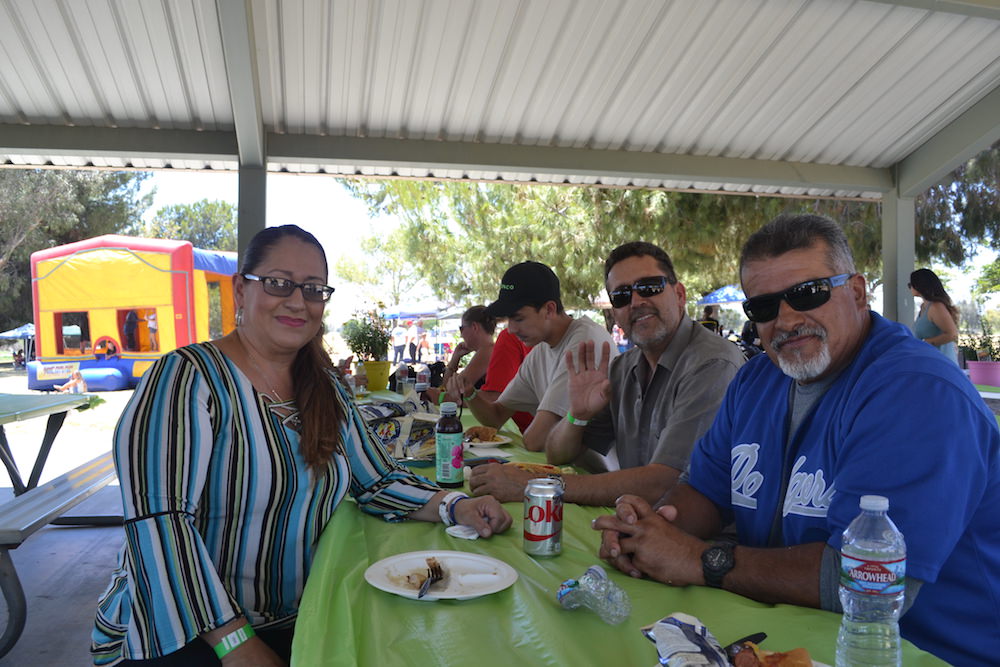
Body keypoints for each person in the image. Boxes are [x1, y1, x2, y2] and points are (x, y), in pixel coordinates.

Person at [91, 225, 511, 666]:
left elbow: (377, 479)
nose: (297, 301)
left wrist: (455, 505)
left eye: (313, 289)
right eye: (278, 283)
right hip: (185, 631)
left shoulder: (324, 387)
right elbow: (161, 521)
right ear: (240, 288)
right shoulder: (186, 378)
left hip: (295, 619)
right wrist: (235, 642)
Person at [594, 214, 1000, 667]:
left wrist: (699, 558)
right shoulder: (756, 380)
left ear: (858, 293)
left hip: (927, 652)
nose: (786, 319)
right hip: (780, 636)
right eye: (764, 307)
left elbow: (857, 579)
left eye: (808, 294)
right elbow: (705, 491)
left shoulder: (916, 391)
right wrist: (651, 529)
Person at [469, 242, 744, 506]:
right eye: (622, 296)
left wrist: (538, 484)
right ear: (616, 311)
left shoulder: (711, 363)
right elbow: (558, 453)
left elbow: (666, 483)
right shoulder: (624, 368)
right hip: (639, 523)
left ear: (679, 295)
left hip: (703, 542)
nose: (636, 302)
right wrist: (577, 416)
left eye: (649, 287)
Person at [447, 261, 616, 452]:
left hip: (597, 473)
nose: (511, 329)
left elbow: (536, 440)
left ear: (549, 310)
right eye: (509, 319)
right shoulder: (541, 351)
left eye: (518, 318)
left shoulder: (584, 342)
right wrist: (470, 393)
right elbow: (495, 416)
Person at [429, 306, 533, 433]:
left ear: (474, 327)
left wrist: (441, 398)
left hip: (516, 426)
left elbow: (453, 391)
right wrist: (454, 360)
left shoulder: (488, 351)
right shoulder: (489, 350)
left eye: (461, 328)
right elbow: (449, 388)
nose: (461, 334)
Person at [909, 268, 959, 365]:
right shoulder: (923, 307)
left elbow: (952, 334)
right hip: (929, 363)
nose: (910, 288)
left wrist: (926, 343)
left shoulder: (936, 307)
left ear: (919, 285)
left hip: (942, 365)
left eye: (911, 285)